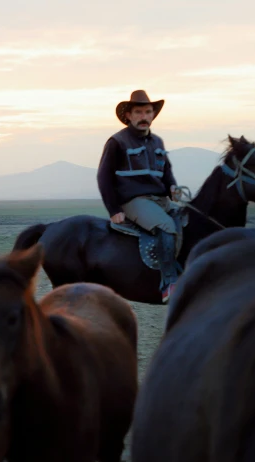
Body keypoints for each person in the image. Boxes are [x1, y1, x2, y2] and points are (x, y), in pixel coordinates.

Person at [97, 89, 180, 303]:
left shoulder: (157, 142)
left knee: (187, 221)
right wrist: (114, 210)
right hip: (134, 201)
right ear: (128, 115)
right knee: (166, 226)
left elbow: (167, 173)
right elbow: (103, 177)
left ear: (153, 115)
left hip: (160, 200)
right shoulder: (117, 142)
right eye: (139, 112)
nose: (144, 116)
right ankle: (169, 284)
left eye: (148, 112)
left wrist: (173, 187)